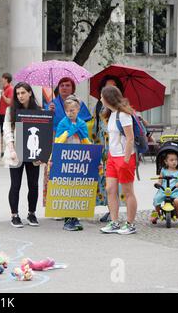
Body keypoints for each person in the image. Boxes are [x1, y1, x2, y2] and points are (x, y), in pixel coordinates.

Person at [3, 82, 43, 228]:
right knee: (15, 184)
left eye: (23, 93)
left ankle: (32, 213)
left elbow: (44, 132)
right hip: (16, 152)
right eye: (18, 93)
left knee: (33, 184)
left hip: (33, 153)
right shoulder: (10, 110)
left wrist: (43, 152)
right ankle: (14, 215)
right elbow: (7, 130)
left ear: (30, 93)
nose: (20, 96)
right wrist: (12, 149)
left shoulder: (38, 110)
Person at [100, 85, 138, 235]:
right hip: (112, 156)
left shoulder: (123, 115)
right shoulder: (111, 113)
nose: (100, 99)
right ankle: (114, 221)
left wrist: (126, 160)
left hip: (124, 157)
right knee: (110, 189)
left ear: (109, 98)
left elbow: (130, 138)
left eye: (102, 96)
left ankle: (130, 223)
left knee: (128, 192)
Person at [54, 96, 91, 231]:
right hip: (66, 158)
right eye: (68, 111)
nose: (70, 113)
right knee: (67, 188)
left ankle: (75, 216)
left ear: (78, 110)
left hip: (78, 158)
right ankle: (67, 218)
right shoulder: (63, 123)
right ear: (65, 111)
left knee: (77, 188)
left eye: (73, 110)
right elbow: (58, 141)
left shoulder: (82, 124)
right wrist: (68, 132)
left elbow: (86, 139)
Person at [92, 75, 125, 222]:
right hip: (102, 148)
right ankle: (111, 210)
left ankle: (115, 213)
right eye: (107, 87)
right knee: (106, 181)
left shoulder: (122, 108)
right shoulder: (99, 106)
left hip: (118, 149)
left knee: (118, 182)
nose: (110, 90)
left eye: (114, 86)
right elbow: (94, 126)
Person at [151, 152, 178, 222]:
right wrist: (157, 184)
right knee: (156, 199)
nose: (174, 162)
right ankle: (157, 213)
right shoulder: (163, 171)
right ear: (166, 162)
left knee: (177, 201)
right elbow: (160, 181)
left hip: (175, 191)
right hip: (164, 191)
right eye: (171, 160)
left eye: (176, 160)